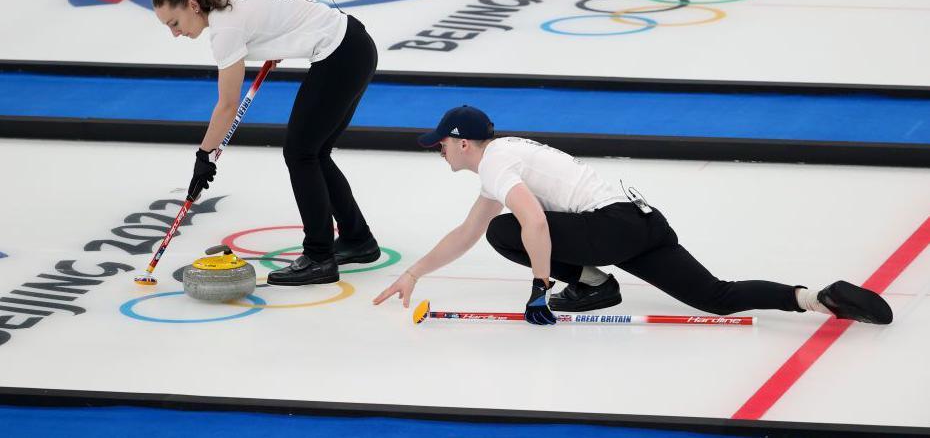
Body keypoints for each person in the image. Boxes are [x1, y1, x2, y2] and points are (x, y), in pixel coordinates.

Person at [373, 105, 894, 326]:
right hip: (641, 222)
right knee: (715, 297)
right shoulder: (505, 159)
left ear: (463, 142)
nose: (438, 150)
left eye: (440, 144)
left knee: (508, 229)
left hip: (610, 228)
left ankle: (595, 285)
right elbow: (466, 231)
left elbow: (530, 223)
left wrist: (538, 288)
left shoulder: (498, 161)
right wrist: (414, 272)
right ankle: (816, 299)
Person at [152, 0, 380, 285]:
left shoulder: (224, 30)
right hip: (355, 44)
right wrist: (279, 30)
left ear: (192, 4)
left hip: (341, 56)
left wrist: (204, 156)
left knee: (300, 154)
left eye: (174, 23)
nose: (175, 33)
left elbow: (227, 105)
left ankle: (319, 257)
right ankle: (358, 240)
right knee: (314, 153)